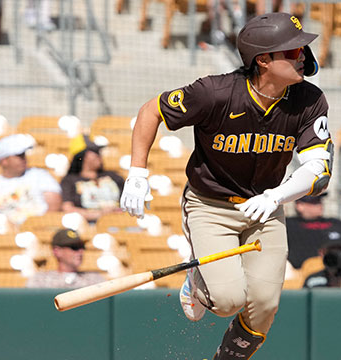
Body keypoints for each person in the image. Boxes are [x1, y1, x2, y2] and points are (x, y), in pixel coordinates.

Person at [119, 12, 329, 359]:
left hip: (266, 206)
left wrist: (276, 196)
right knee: (228, 300)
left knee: (263, 306)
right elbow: (151, 110)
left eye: (302, 48)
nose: (303, 55)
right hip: (211, 205)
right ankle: (198, 280)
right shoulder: (214, 93)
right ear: (263, 60)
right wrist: (137, 173)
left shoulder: (309, 99)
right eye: (292, 52)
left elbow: (319, 168)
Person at [0, 134, 62, 225]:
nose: (24, 159)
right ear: (4, 161)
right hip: (5, 235)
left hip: (38, 230)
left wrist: (37, 226)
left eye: (23, 155)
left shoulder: (40, 176)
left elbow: (54, 204)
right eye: (19, 156)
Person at [286, 194, 341, 269]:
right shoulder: (289, 225)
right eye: (314, 202)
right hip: (303, 271)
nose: (320, 204)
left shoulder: (337, 223)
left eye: (320, 201)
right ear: (300, 205)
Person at [60, 135, 124, 223]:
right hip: (88, 224)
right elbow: (67, 208)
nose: (99, 155)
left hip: (118, 222)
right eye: (95, 152)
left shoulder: (114, 176)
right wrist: (99, 214)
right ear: (81, 156)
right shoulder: (69, 180)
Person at [26, 228, 105, 288]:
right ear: (57, 251)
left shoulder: (94, 280)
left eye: (82, 247)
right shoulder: (40, 280)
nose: (80, 251)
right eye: (74, 247)